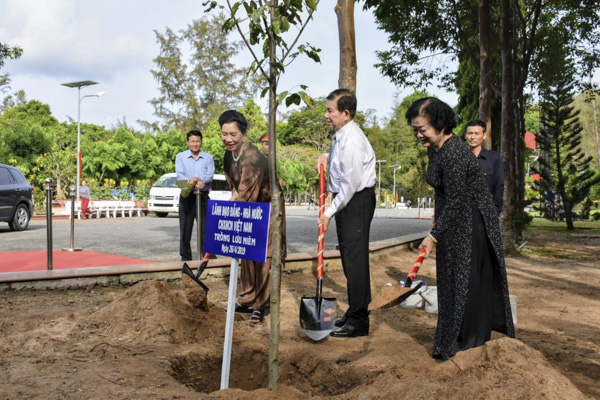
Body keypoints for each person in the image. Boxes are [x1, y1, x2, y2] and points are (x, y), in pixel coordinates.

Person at [406, 97, 514, 360]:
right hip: (454, 219)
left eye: (423, 129)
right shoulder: (436, 148)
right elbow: (446, 196)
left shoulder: (454, 151)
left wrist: (433, 235)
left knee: (466, 281)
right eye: (414, 129)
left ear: (441, 125)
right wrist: (438, 227)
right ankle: (452, 337)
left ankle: (470, 343)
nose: (418, 134)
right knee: (451, 279)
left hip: (472, 221)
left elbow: (458, 199)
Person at [315, 89, 376, 338]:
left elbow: (350, 184)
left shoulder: (351, 140)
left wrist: (328, 212)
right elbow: (341, 161)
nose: (326, 115)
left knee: (355, 260)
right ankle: (354, 311)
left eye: (331, 111)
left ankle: (359, 321)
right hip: (347, 201)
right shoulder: (342, 135)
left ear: (346, 113)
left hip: (355, 201)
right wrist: (326, 156)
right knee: (350, 258)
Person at [220, 110, 286, 325]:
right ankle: (247, 299)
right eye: (224, 134)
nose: (228, 139)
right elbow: (235, 189)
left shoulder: (253, 157)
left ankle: (261, 304)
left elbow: (246, 194)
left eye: (233, 134)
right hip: (247, 207)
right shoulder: (229, 155)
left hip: (268, 208)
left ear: (243, 133)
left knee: (264, 256)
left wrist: (221, 215)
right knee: (245, 250)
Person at [175, 130, 215, 261]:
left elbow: (209, 175)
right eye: (192, 141)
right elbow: (180, 175)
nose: (195, 144)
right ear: (187, 142)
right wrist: (193, 181)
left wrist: (199, 179)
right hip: (187, 196)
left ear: (201, 142)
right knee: (185, 229)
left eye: (197, 141)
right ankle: (185, 258)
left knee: (206, 228)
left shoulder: (208, 157)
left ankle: (208, 257)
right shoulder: (180, 157)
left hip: (203, 197)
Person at [465, 120, 505, 214]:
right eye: (470, 133)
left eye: (476, 133)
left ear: (484, 136)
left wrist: (495, 211)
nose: (473, 137)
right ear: (465, 135)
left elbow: (499, 185)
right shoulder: (457, 158)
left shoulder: (494, 158)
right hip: (461, 213)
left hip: (485, 212)